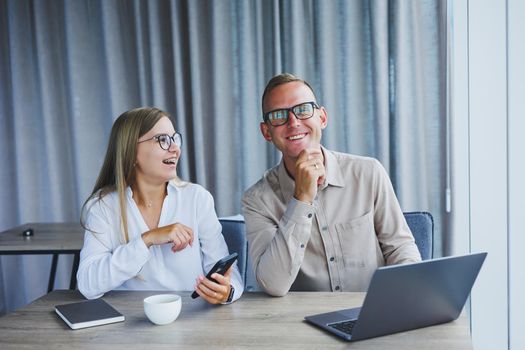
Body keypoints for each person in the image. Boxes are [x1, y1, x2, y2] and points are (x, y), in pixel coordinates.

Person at [242, 73, 421, 297]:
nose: (293, 122)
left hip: (371, 312)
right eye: (278, 115)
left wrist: (407, 293)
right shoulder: (257, 200)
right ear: (267, 132)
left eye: (303, 109)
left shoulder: (368, 173)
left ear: (322, 118)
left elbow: (400, 248)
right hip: (302, 324)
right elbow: (273, 285)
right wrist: (301, 199)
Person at [77, 107, 243, 304]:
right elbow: (87, 285)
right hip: (129, 326)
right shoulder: (103, 206)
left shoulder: (197, 198)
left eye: (175, 139)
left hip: (191, 321)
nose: (175, 148)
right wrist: (147, 240)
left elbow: (231, 277)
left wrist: (226, 292)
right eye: (162, 140)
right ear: (131, 151)